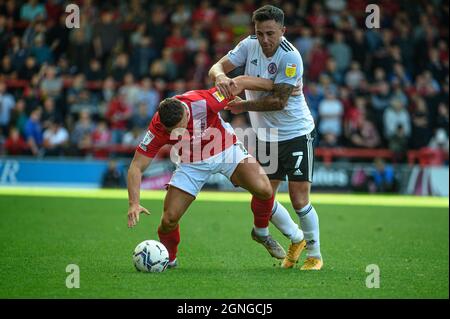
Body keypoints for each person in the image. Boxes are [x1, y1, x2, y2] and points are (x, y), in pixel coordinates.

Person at [127, 75, 302, 268]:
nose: (176, 134)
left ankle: (261, 233)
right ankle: (170, 259)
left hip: (225, 149)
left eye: (180, 128)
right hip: (191, 163)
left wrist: (278, 86)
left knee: (264, 189)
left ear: (186, 114)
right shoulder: (159, 127)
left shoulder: (206, 101)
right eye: (172, 132)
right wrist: (134, 203)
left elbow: (240, 82)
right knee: (169, 219)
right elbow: (136, 166)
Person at [209, 5, 323, 270]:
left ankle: (315, 254)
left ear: (283, 31)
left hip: (295, 133)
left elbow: (279, 101)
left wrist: (243, 100)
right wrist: (222, 76)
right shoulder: (248, 45)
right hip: (265, 136)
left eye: (271, 33)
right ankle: (296, 239)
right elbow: (216, 67)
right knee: (263, 197)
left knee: (298, 199)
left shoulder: (290, 57)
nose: (265, 40)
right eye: (260, 33)